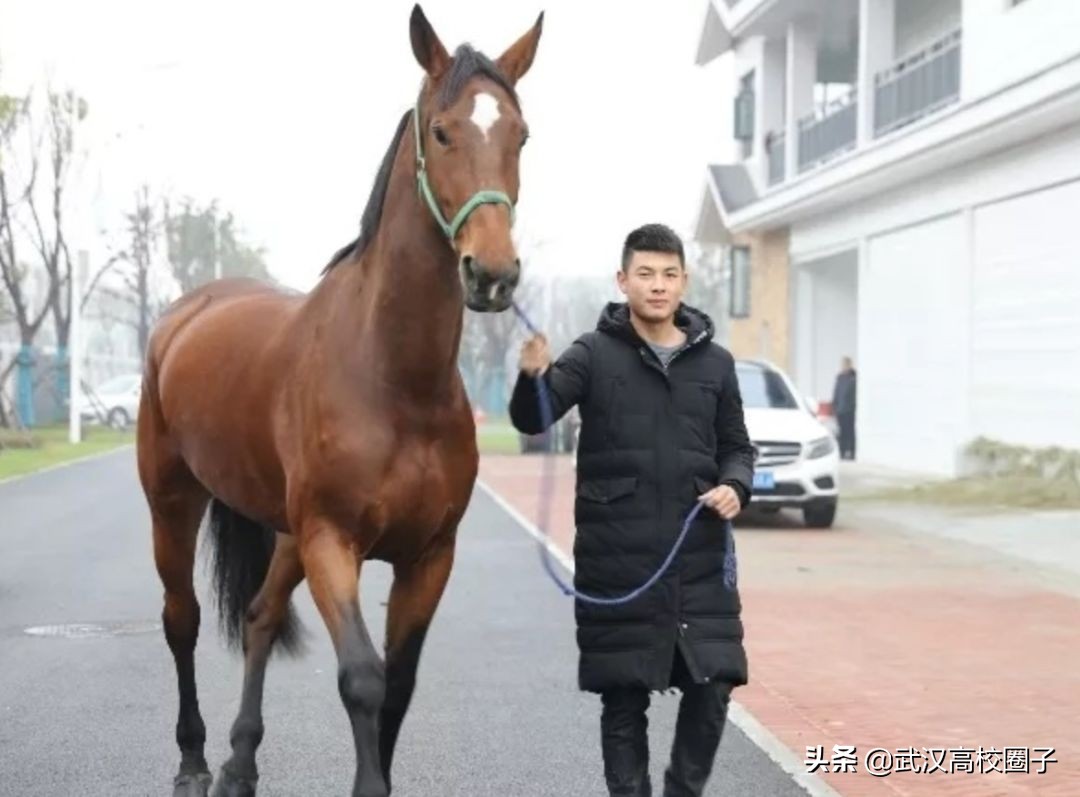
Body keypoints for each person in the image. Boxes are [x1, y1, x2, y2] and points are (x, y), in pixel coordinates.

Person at [509, 223, 755, 797]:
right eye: (645, 273)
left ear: (684, 281)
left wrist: (736, 486)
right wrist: (531, 378)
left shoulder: (716, 363)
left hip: (699, 553)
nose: (658, 285)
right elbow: (533, 418)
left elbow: (737, 446)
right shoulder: (592, 354)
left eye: (669, 274)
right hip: (618, 557)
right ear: (623, 281)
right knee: (623, 695)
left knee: (715, 680)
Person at [832, 357, 857, 460]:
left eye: (846, 365)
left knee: (850, 432)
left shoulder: (854, 378)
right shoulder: (839, 377)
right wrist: (835, 406)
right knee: (841, 433)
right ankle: (841, 452)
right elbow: (836, 392)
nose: (843, 367)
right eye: (843, 365)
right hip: (840, 410)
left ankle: (851, 452)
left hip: (850, 411)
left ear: (850, 365)